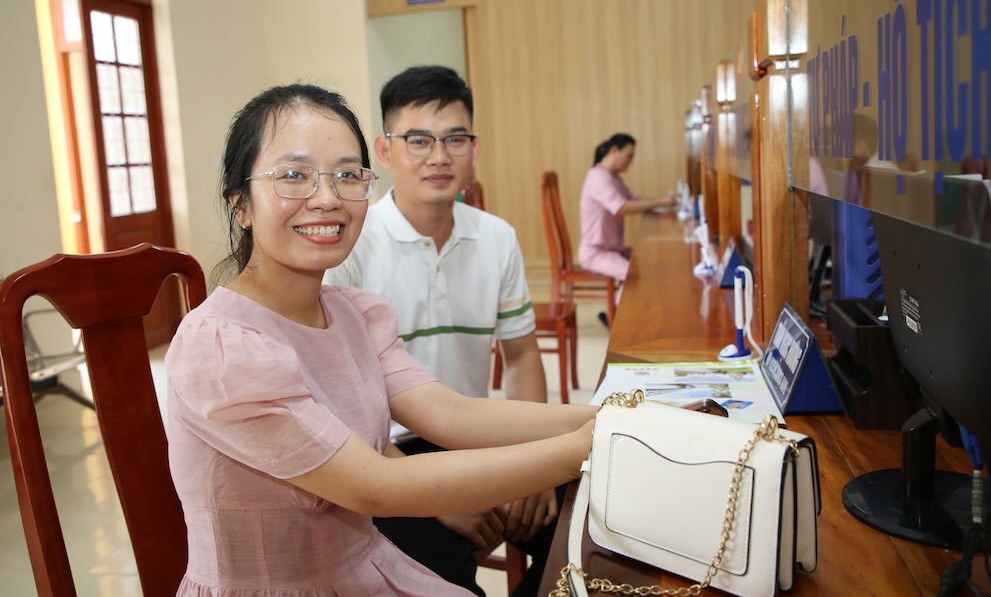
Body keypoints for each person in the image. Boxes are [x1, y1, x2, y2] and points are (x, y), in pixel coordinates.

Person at [165, 83, 596, 596]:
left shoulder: (352, 314)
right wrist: (582, 448)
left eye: (347, 175)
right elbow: (377, 486)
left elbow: (449, 413)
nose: (326, 198)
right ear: (241, 205)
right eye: (294, 176)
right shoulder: (223, 346)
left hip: (364, 568)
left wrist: (606, 418)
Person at [324, 65, 553, 596]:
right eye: (419, 140)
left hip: (475, 439)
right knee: (442, 579)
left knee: (587, 524)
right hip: (387, 454)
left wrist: (535, 464)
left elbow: (520, 358)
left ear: (475, 148)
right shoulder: (354, 245)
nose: (439, 155)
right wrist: (437, 494)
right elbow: (338, 402)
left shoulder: (497, 238)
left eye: (455, 139)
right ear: (384, 152)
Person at [578, 133, 675, 313]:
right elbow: (622, 207)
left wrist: (664, 206)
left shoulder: (614, 178)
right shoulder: (598, 177)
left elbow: (636, 201)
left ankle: (630, 313)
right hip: (596, 252)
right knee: (633, 274)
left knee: (648, 259)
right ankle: (619, 320)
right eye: (629, 156)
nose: (630, 161)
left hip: (613, 249)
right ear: (615, 151)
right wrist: (661, 202)